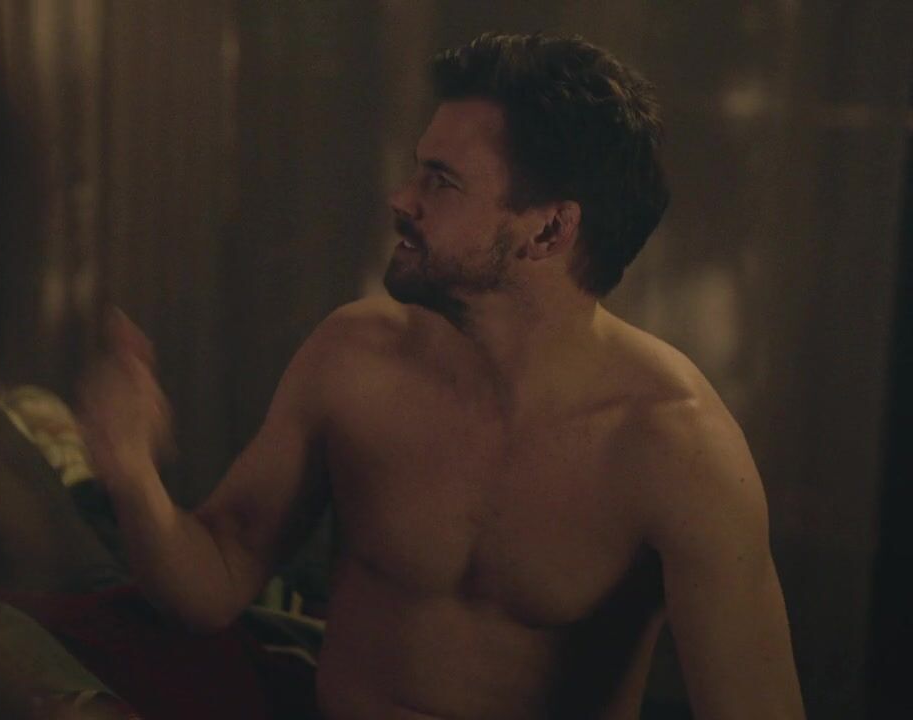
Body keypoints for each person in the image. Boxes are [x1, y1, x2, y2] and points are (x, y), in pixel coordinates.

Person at [80, 33, 805, 719]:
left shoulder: (677, 447)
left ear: (549, 230)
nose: (402, 197)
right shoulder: (355, 358)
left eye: (442, 181)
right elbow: (214, 581)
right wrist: (133, 476)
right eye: (417, 168)